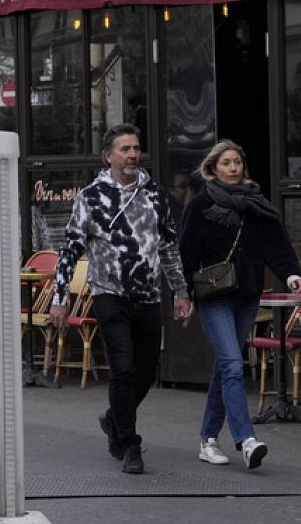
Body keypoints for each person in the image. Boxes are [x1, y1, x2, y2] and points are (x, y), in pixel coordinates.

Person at [50, 124, 193, 475]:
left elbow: (168, 246)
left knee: (146, 371)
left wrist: (181, 291)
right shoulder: (92, 196)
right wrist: (60, 296)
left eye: (136, 148)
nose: (132, 155)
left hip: (147, 295)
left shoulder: (155, 194)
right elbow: (70, 248)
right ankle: (129, 442)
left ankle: (114, 418)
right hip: (109, 293)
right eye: (125, 149)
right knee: (123, 369)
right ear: (109, 156)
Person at [178, 141, 301, 470]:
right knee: (233, 365)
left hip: (247, 295)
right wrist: (183, 294)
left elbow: (277, 244)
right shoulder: (202, 203)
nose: (233, 168)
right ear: (213, 169)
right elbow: (186, 250)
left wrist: (291, 274)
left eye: (237, 162)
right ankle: (246, 440)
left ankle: (207, 438)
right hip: (214, 296)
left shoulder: (256, 203)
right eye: (226, 163)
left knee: (226, 366)